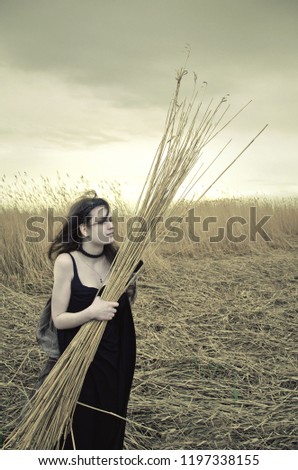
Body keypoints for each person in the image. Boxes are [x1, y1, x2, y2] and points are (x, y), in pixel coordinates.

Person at [45, 191, 137, 450]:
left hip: (116, 353)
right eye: (102, 221)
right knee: (82, 422)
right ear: (84, 229)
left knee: (112, 416)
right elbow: (58, 319)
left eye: (111, 220)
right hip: (81, 358)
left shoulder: (117, 261)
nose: (110, 226)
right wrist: (91, 313)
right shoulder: (67, 262)